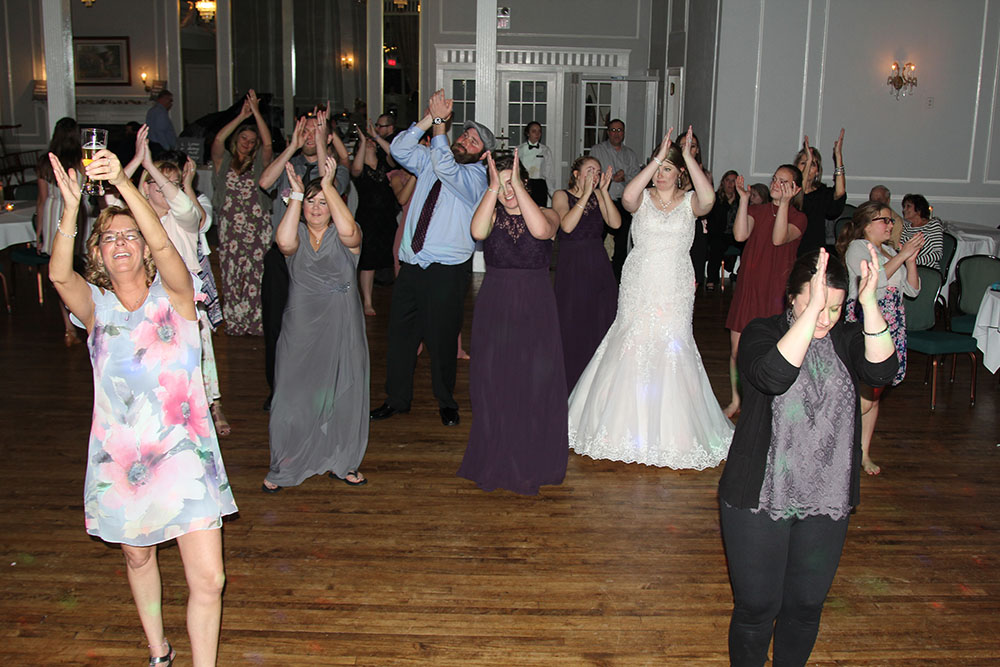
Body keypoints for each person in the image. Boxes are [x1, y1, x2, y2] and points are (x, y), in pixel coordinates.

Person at [47, 149, 237, 666]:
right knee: (137, 557)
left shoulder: (175, 294)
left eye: (130, 235)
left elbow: (165, 244)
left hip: (186, 455)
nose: (121, 243)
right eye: (109, 238)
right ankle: (159, 650)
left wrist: (124, 186)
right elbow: (59, 276)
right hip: (123, 461)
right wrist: (71, 206)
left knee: (210, 579)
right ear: (97, 253)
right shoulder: (95, 308)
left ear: (146, 247)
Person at [718, 247, 898, 667]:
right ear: (792, 297)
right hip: (759, 497)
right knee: (757, 607)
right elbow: (774, 376)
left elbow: (882, 372)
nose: (825, 318)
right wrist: (812, 311)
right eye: (814, 304)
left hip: (826, 497)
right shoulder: (761, 332)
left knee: (804, 607)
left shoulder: (847, 338)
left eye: (834, 308)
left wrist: (869, 303)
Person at [568, 127, 734, 468]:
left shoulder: (691, 202)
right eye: (657, 169)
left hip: (674, 283)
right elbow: (627, 197)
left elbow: (709, 200)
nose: (660, 175)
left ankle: (673, 432)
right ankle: (621, 427)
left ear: (680, 173)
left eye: (667, 170)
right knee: (632, 341)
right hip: (639, 281)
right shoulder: (641, 199)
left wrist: (686, 155)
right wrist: (657, 157)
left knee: (673, 344)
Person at [370, 89, 493, 427]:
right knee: (401, 337)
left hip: (446, 272)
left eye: (473, 142)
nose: (465, 141)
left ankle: (446, 401)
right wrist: (429, 117)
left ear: (483, 155)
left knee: (442, 340)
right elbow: (399, 149)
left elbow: (446, 169)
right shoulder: (430, 159)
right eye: (464, 135)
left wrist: (439, 125)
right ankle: (397, 399)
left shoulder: (476, 178)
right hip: (412, 266)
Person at [458, 150, 567, 494]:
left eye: (512, 183)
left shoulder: (548, 213)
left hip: (536, 307)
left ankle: (530, 459)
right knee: (494, 383)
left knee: (533, 384)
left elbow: (540, 231)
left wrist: (516, 185)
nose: (507, 190)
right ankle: (495, 455)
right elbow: (476, 231)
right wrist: (494, 187)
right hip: (496, 306)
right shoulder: (491, 215)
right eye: (500, 183)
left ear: (524, 183)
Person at [263, 158, 369, 492]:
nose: (317, 208)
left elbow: (349, 230)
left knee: (342, 393)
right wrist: (297, 195)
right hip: (302, 323)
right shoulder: (294, 235)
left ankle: (343, 460)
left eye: (323, 202)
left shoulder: (347, 234)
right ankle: (286, 460)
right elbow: (283, 244)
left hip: (341, 321)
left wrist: (327, 185)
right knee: (291, 392)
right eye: (311, 202)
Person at [259, 108, 350, 410]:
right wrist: (292, 147)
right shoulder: (290, 163)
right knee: (276, 324)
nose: (310, 135)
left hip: (317, 259)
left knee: (314, 327)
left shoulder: (336, 168)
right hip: (281, 256)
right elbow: (264, 182)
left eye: (316, 130)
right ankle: (278, 388)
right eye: (306, 130)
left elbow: (328, 186)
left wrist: (322, 142)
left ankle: (316, 389)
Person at [837, 201, 922, 475]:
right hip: (868, 319)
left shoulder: (890, 251)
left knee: (875, 393)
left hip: (893, 321)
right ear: (866, 225)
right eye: (884, 220)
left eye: (890, 220)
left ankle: (863, 452)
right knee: (865, 394)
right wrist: (902, 255)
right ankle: (837, 440)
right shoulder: (858, 248)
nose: (890, 225)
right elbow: (876, 280)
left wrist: (909, 260)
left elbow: (912, 290)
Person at [723, 166, 807, 418]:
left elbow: (778, 238)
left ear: (795, 189)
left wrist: (784, 204)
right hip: (750, 286)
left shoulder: (798, 217)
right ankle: (737, 400)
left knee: (772, 351)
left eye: (784, 181)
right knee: (737, 351)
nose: (776, 184)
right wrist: (744, 200)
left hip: (776, 291)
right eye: (775, 179)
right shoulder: (757, 210)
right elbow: (740, 235)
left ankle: (770, 405)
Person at [552, 155, 620, 392]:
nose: (595, 175)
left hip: (597, 263)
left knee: (601, 320)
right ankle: (572, 381)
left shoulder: (599, 195)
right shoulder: (562, 195)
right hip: (572, 265)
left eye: (598, 171)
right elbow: (567, 226)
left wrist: (604, 193)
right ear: (576, 174)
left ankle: (598, 383)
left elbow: (616, 223)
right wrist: (585, 194)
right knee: (573, 322)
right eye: (590, 170)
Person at [210, 89, 274, 336]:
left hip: (257, 226)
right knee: (232, 273)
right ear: (236, 139)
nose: (247, 143)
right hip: (231, 229)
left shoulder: (259, 163)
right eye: (243, 138)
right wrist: (241, 117)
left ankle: (257, 322)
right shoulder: (223, 161)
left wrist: (256, 113)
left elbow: (268, 144)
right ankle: (236, 321)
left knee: (257, 274)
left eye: (251, 140)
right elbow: (218, 140)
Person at [34, 116, 86, 346]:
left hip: (54, 211)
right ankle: (82, 318)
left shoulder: (46, 161)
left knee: (59, 272)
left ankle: (68, 327)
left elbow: (41, 199)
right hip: (75, 211)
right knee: (79, 269)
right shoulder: (81, 160)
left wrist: (39, 233)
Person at [352, 119, 402, 316]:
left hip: (387, 218)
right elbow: (356, 169)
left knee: (395, 257)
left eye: (372, 142)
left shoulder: (385, 163)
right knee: (368, 262)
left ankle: (400, 298)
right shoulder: (359, 169)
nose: (371, 143)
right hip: (367, 219)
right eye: (367, 143)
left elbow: (395, 153)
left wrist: (377, 137)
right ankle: (367, 302)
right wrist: (363, 141)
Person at [589, 118, 643, 282]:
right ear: (608, 132)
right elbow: (591, 174)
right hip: (603, 201)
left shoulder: (630, 154)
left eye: (619, 130)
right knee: (596, 239)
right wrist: (609, 178)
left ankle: (617, 277)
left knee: (622, 242)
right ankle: (593, 273)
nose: (616, 133)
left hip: (623, 203)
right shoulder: (597, 150)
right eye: (613, 130)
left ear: (624, 133)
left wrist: (625, 178)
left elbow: (637, 178)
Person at [794, 131, 846, 256]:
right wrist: (809, 161)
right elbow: (800, 193)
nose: (807, 167)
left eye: (812, 164)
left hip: (814, 250)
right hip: (792, 248)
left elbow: (839, 193)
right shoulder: (789, 191)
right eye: (803, 163)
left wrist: (838, 157)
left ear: (817, 171)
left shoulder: (821, 193)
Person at [707, 170, 739, 290]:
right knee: (717, 245)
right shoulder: (715, 198)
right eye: (727, 180)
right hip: (719, 233)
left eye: (733, 181)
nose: (730, 184)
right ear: (723, 182)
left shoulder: (741, 199)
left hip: (736, 234)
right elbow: (715, 220)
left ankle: (740, 274)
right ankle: (711, 279)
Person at [900, 193, 944, 269]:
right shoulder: (906, 227)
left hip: (926, 268)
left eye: (908, 206)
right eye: (904, 207)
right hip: (907, 268)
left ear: (918, 209)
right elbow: (900, 250)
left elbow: (937, 254)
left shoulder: (933, 224)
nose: (904, 210)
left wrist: (912, 261)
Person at [517, 121, 556, 207]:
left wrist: (553, 193)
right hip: (525, 184)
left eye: (539, 131)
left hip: (540, 185)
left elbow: (549, 172)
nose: (537, 134)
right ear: (528, 133)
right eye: (534, 131)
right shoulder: (519, 149)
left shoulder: (545, 150)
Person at [869, 185, 903, 250]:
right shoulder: (864, 217)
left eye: (879, 199)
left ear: (888, 201)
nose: (875, 203)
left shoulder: (896, 221)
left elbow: (894, 247)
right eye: (872, 200)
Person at [145, 90, 177, 158]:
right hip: (160, 147)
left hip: (153, 145)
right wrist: (167, 148)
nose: (171, 103)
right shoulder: (161, 112)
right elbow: (160, 132)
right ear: (164, 99)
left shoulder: (151, 110)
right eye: (170, 100)